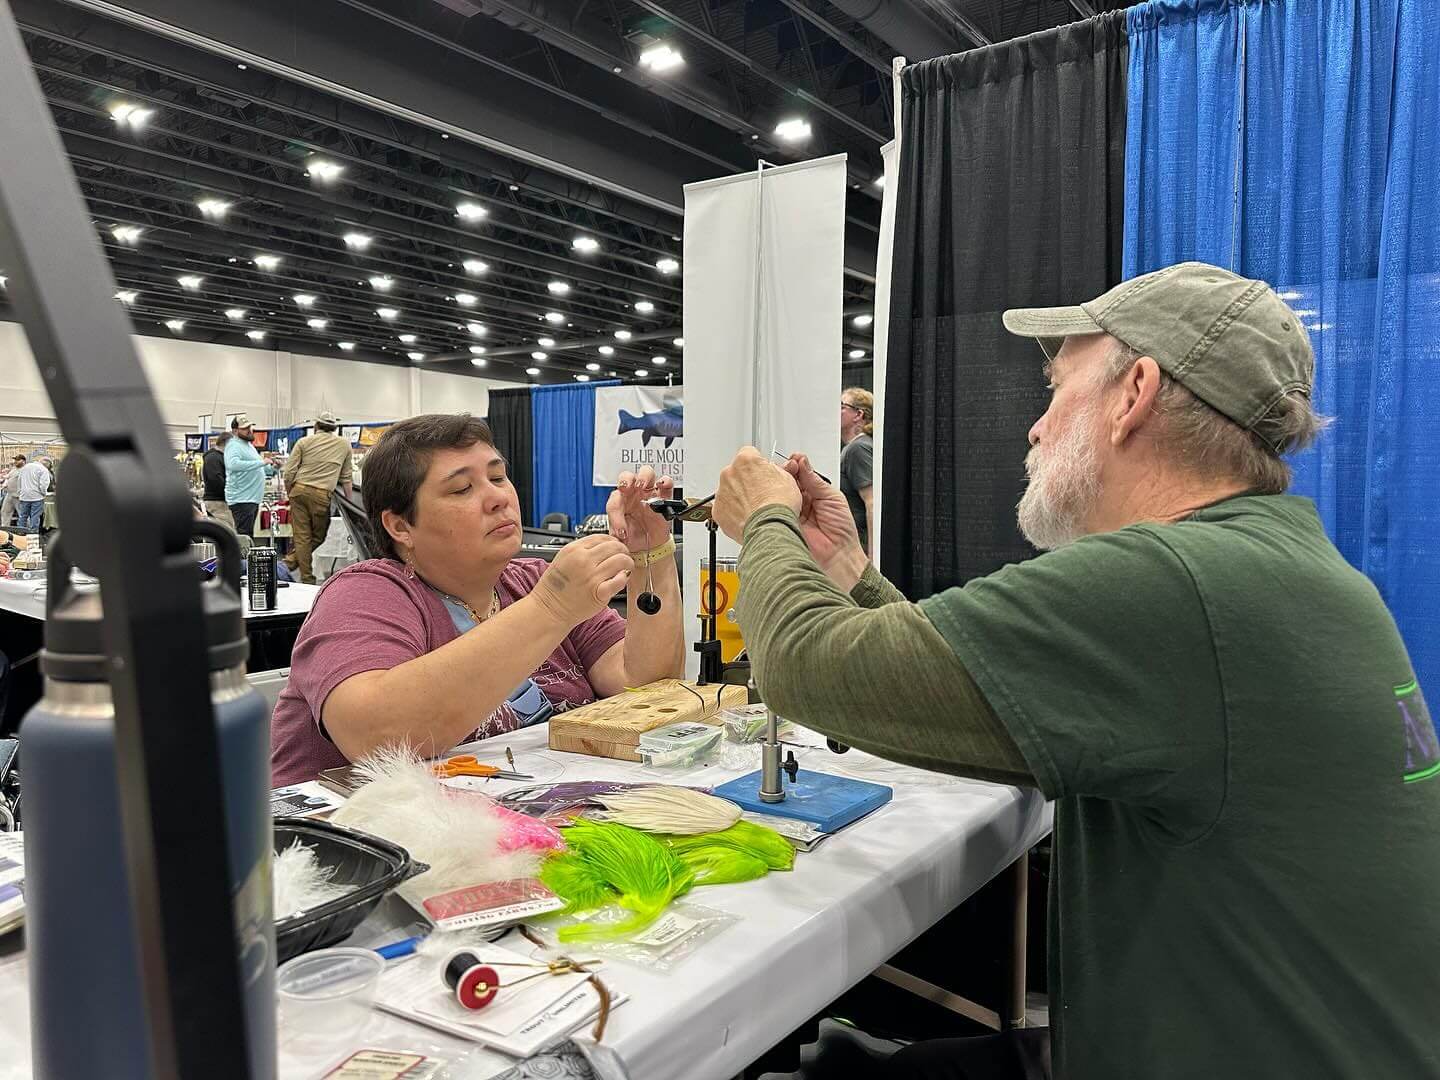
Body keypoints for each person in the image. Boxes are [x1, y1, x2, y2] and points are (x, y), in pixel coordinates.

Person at [712, 262, 1440, 1079]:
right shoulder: (1282, 570)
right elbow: (932, 684)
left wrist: (765, 518)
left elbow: (807, 669)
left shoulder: (1173, 582)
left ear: (1134, 393)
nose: (1034, 427)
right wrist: (846, 563)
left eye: (1057, 390)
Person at [271, 413, 685, 785]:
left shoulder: (531, 580)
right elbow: (375, 734)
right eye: (462, 489)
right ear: (400, 526)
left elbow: (647, 685)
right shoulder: (366, 593)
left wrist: (652, 551)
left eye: (498, 477)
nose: (498, 498)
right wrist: (552, 609)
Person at [283, 410, 355, 584]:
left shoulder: (303, 442)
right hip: (322, 496)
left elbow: (289, 472)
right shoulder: (344, 445)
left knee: (302, 537)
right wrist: (350, 504)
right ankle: (306, 577)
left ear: (316, 426)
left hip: (299, 491)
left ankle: (289, 564)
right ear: (335, 428)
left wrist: (289, 492)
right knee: (318, 537)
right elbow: (347, 478)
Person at [839, 388, 874, 557]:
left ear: (858, 414)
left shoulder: (858, 448)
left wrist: (873, 558)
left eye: (842, 406)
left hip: (859, 550)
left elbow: (872, 501)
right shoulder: (856, 447)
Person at [224, 414, 266, 543]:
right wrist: (262, 462)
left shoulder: (248, 446)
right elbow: (233, 464)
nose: (249, 430)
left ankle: (245, 562)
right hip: (242, 499)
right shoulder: (233, 445)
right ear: (235, 431)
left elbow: (257, 467)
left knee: (248, 536)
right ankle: (242, 563)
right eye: (245, 428)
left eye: (249, 427)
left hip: (251, 498)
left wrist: (271, 466)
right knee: (245, 537)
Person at [202, 432, 235, 531]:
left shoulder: (218, 457)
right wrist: (231, 492)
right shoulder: (213, 458)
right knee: (225, 532)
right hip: (217, 503)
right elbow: (215, 480)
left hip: (220, 502)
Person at [15, 456, 53, 533]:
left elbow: (19, 482)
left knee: (23, 516)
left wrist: (20, 493)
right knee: (35, 517)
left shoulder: (25, 467)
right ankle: (33, 536)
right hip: (37, 497)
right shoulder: (43, 470)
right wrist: (44, 494)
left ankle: (20, 534)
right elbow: (43, 485)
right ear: (47, 465)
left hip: (24, 496)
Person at [1, 455, 24, 528]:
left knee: (22, 514)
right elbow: (7, 477)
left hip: (18, 496)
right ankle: (5, 529)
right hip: (9, 494)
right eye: (15, 460)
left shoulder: (24, 470)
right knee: (5, 512)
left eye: (17, 460)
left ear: (23, 461)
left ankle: (25, 530)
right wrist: (4, 481)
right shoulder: (14, 469)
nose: (15, 462)